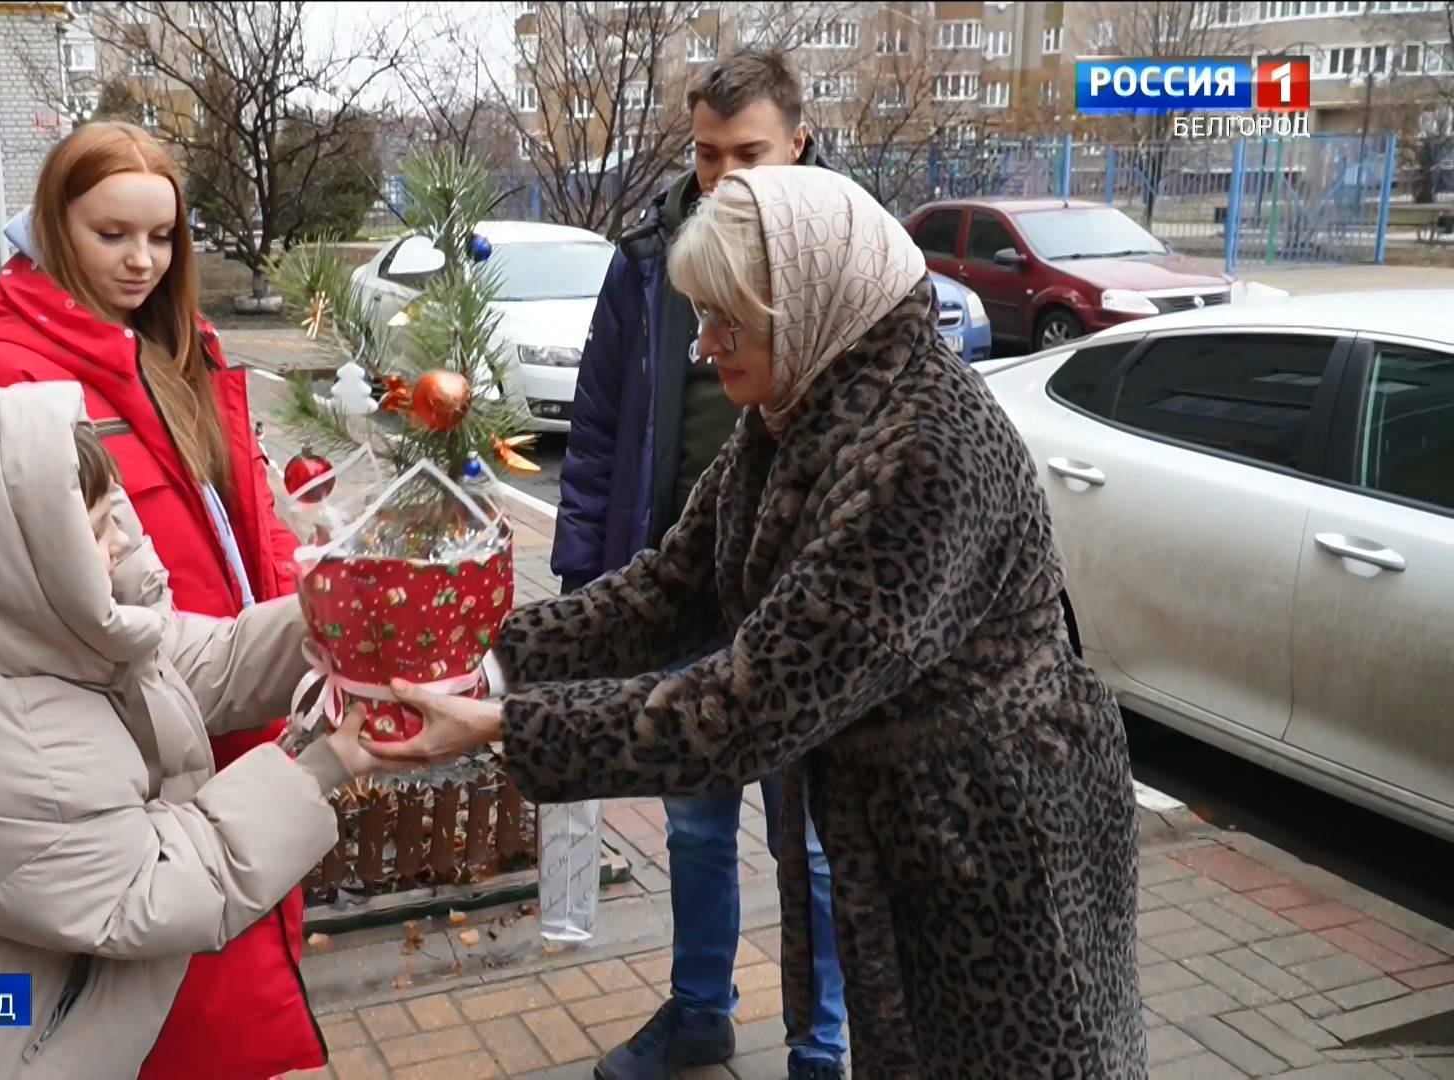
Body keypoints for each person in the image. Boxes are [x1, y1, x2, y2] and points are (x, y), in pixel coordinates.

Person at [376, 166, 1146, 1079]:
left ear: (811, 304)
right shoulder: (797, 409)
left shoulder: (926, 452)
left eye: (726, 321)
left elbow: (748, 706)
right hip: (909, 823)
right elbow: (672, 586)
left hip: (1001, 833)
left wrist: (511, 727)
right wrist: (489, 660)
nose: (704, 347)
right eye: (702, 316)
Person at [0, 384, 383, 1078]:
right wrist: (316, 762)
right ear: (21, 559)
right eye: (95, 530)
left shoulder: (12, 628)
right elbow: (156, 892)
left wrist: (342, 616)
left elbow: (207, 662)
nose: (121, 540)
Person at [0, 123, 322, 1078]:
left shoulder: (177, 347)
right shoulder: (15, 375)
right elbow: (25, 592)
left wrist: (301, 601)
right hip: (138, 734)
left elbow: (241, 509)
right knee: (172, 1003)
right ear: (53, 224)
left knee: (229, 973)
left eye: (161, 238)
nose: (141, 260)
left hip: (229, 699)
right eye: (111, 232)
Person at [551, 50, 845, 1080]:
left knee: (808, 844)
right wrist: (584, 587)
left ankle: (824, 1047)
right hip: (683, 590)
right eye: (707, 153)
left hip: (806, 608)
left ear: (797, 143)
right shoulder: (646, 263)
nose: (725, 176)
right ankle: (698, 1010)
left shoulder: (841, 255)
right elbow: (596, 437)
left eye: (749, 152)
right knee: (691, 823)